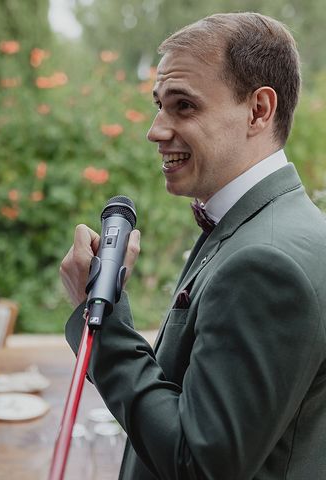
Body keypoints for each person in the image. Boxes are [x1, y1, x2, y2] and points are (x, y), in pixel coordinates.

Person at [60, 12, 326, 480]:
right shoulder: (277, 222)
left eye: (184, 106)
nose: (156, 130)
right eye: (159, 105)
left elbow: (198, 464)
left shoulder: (265, 261)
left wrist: (100, 313)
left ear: (259, 110)